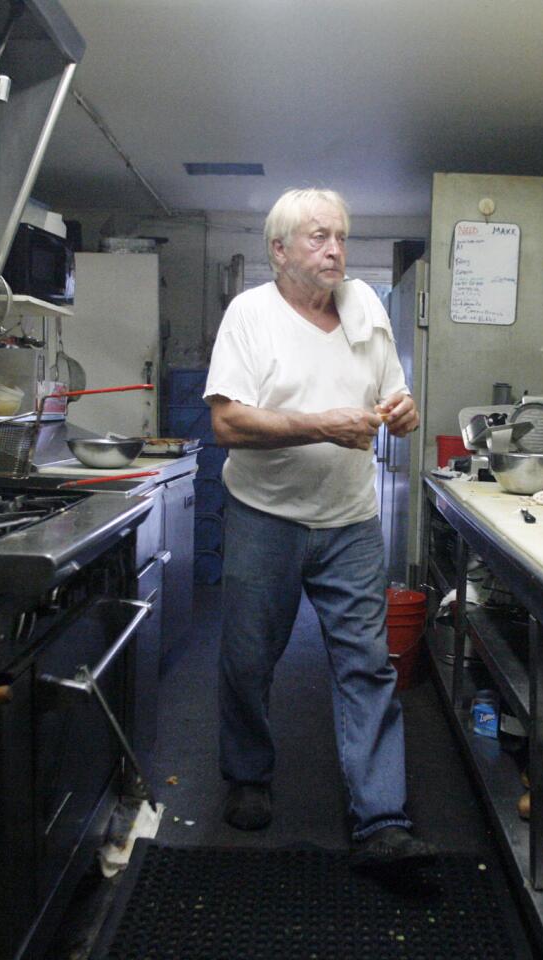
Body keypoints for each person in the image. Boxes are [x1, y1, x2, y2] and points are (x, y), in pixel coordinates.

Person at [202, 187, 437, 872]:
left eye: (340, 235)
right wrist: (323, 423)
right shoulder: (251, 315)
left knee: (366, 667)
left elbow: (396, 398)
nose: (335, 249)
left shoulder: (368, 314)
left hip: (350, 523)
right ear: (279, 251)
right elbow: (227, 423)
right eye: (316, 237)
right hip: (263, 518)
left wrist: (403, 413)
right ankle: (248, 775)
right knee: (248, 661)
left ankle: (382, 820)